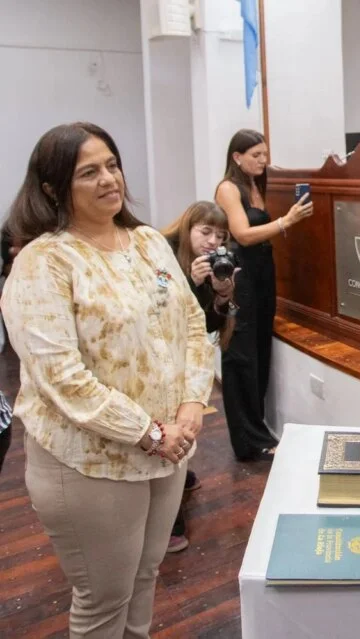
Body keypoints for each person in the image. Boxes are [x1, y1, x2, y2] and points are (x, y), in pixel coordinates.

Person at [0, 122, 215, 637]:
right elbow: (61, 377)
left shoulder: (147, 243)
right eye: (88, 172)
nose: (108, 179)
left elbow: (188, 321)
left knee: (144, 578)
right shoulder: (44, 262)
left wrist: (190, 406)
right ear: (52, 188)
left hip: (168, 447)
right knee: (102, 602)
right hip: (91, 461)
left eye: (112, 165)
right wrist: (149, 432)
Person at [214, 129, 314, 462]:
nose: (263, 160)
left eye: (264, 154)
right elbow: (242, 235)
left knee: (258, 350)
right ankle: (247, 439)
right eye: (256, 155)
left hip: (262, 273)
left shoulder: (257, 184)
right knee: (240, 354)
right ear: (237, 157)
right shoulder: (228, 189)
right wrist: (287, 221)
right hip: (241, 275)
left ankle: (256, 430)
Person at [161, 201, 239, 553]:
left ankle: (181, 476)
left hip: (190, 363)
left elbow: (211, 325)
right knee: (169, 427)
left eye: (220, 235)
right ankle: (169, 524)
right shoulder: (163, 256)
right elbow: (161, 316)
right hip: (162, 361)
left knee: (187, 424)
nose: (212, 241)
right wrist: (189, 283)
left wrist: (223, 295)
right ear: (188, 227)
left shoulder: (215, 265)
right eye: (205, 232)